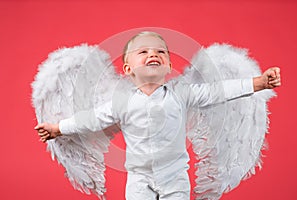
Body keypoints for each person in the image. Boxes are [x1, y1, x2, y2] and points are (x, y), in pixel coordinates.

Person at [34, 31, 281, 200]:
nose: (154, 54)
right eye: (143, 52)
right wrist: (58, 128)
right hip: (139, 180)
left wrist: (258, 83)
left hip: (175, 178)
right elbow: (90, 119)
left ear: (169, 67)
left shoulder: (183, 93)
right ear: (128, 68)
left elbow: (218, 91)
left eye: (161, 52)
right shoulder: (121, 101)